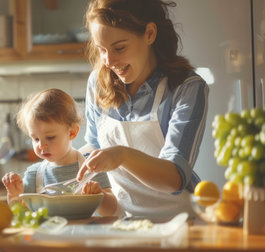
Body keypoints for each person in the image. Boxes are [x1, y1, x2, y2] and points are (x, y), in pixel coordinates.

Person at [76, 0, 209, 220]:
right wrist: (59, 163)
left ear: (149, 33)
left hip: (179, 222)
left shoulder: (186, 88)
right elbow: (94, 148)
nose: (109, 61)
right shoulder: (98, 84)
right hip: (123, 222)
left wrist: (122, 155)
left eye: (119, 48)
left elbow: (174, 178)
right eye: (101, 50)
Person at [2, 88, 117, 216]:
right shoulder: (33, 175)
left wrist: (99, 195)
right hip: (47, 236)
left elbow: (110, 211)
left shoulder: (92, 166)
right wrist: (14, 196)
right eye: (35, 138)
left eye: (50, 137)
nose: (41, 145)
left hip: (85, 235)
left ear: (72, 132)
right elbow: (22, 215)